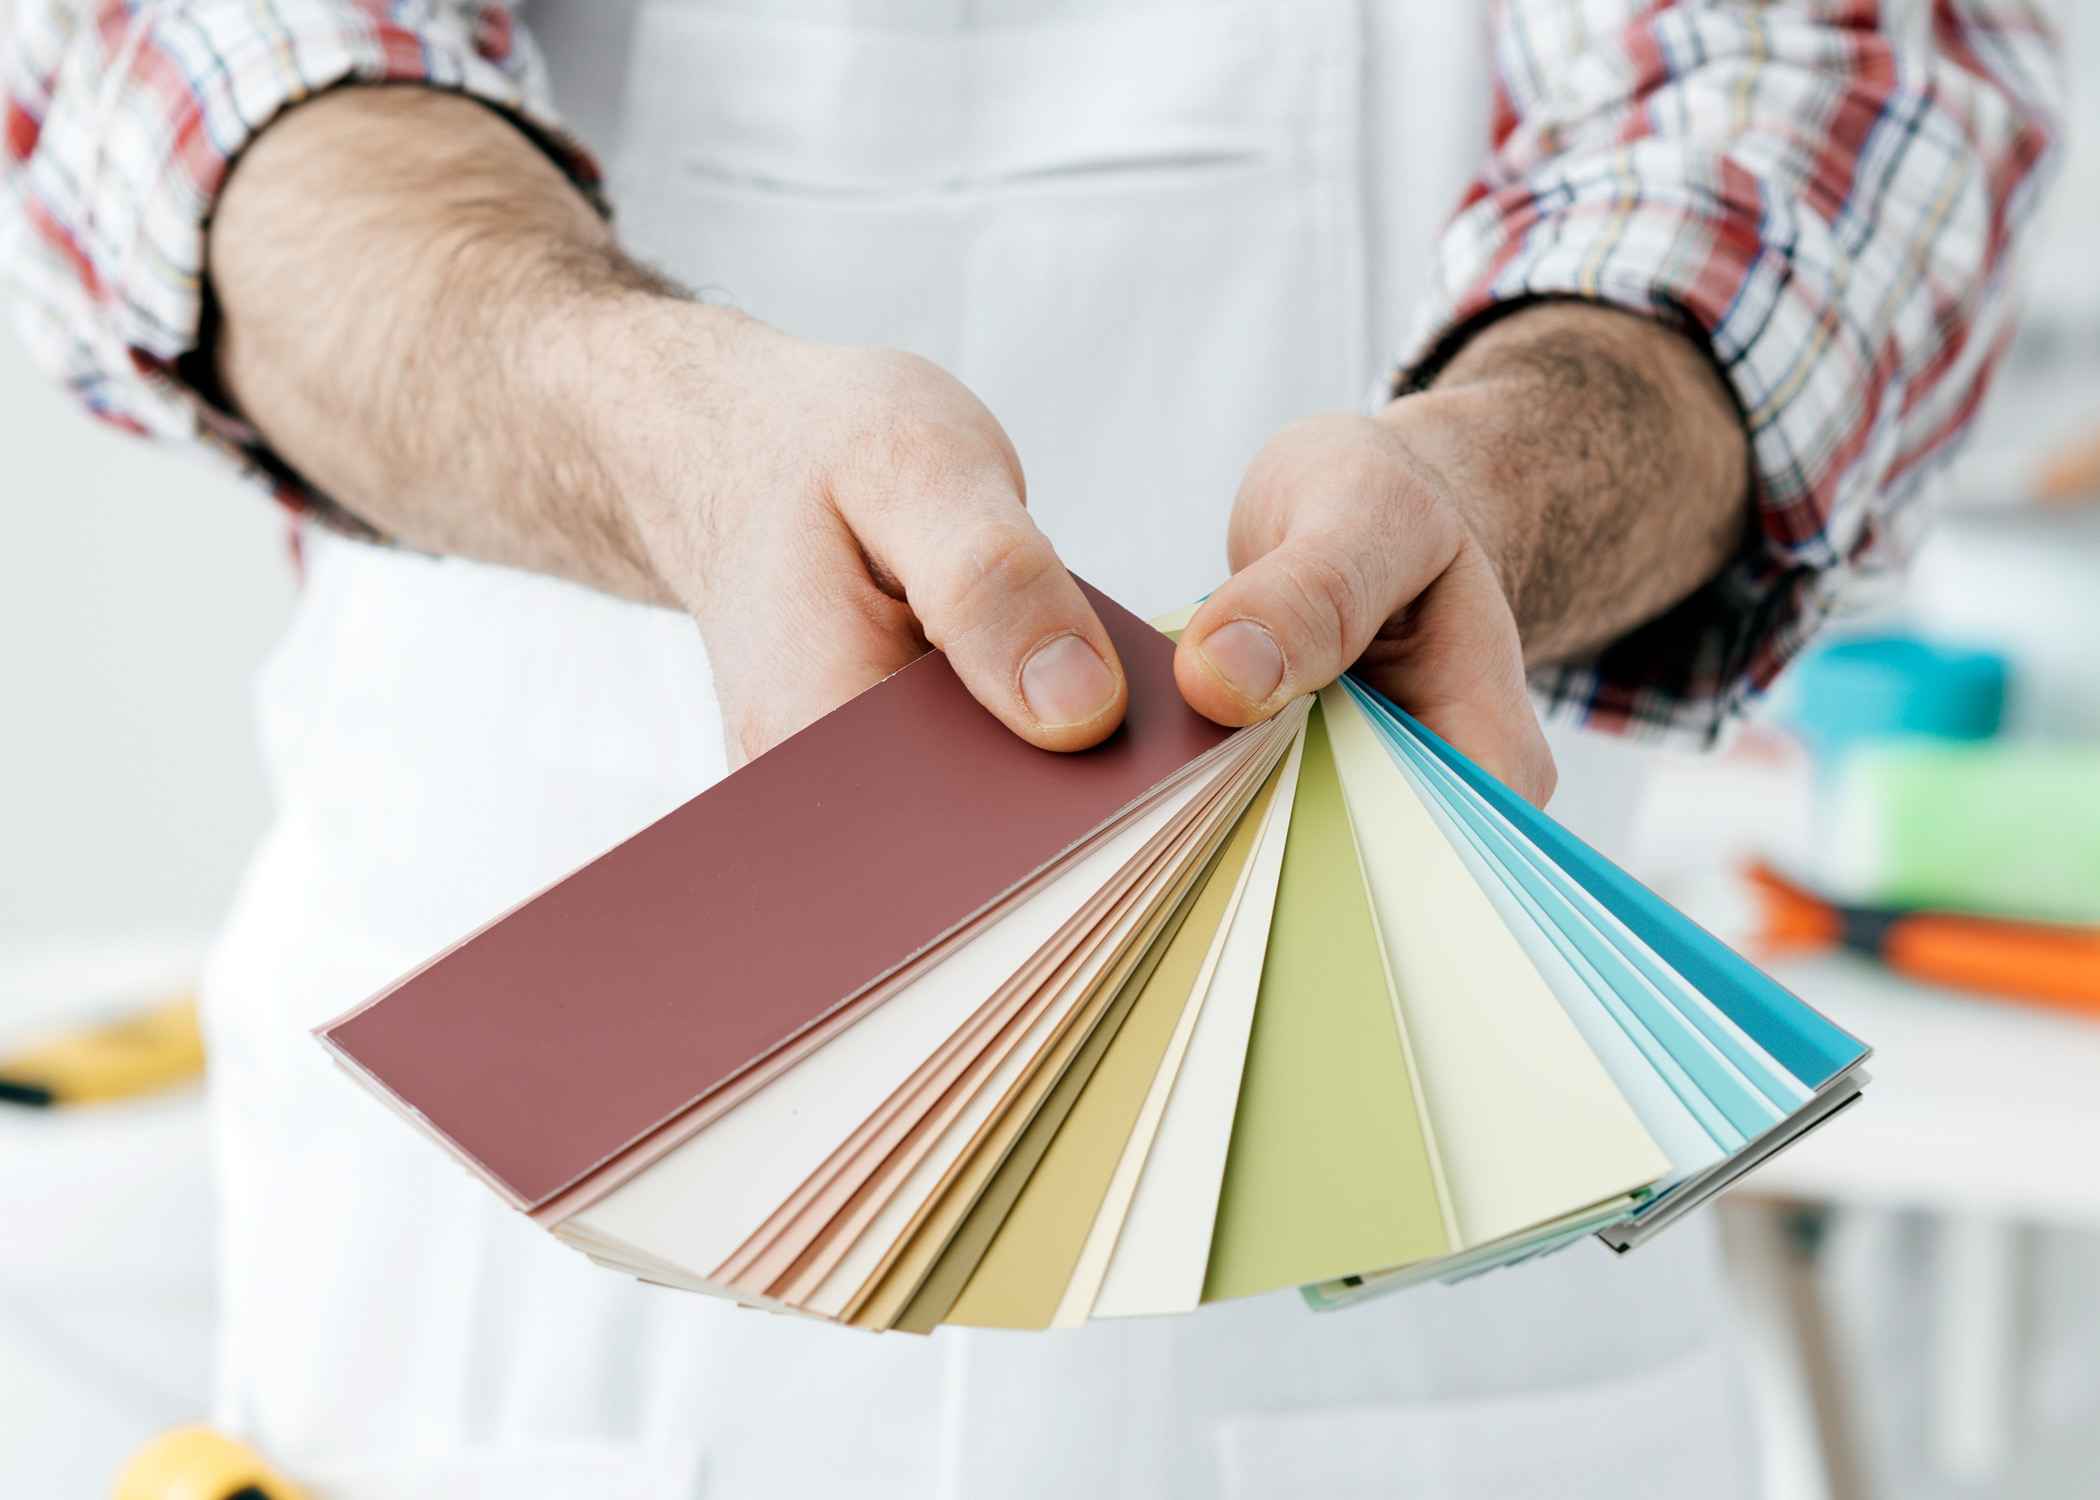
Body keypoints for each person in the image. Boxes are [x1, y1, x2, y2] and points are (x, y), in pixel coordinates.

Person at [1, 2, 2059, 1495]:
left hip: (1422, 1369)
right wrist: (645, 427)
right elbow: (183, 68)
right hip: (489, 1352)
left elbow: (1845, 96)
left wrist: (1513, 483)